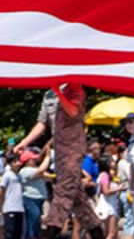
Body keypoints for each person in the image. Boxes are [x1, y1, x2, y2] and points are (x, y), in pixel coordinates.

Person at [39, 86, 100, 239]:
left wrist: (58, 92)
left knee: (64, 191)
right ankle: (97, 233)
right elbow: (42, 124)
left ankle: (49, 232)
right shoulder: (53, 94)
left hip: (72, 151)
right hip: (61, 152)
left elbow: (73, 111)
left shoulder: (75, 89)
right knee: (79, 201)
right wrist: (23, 143)